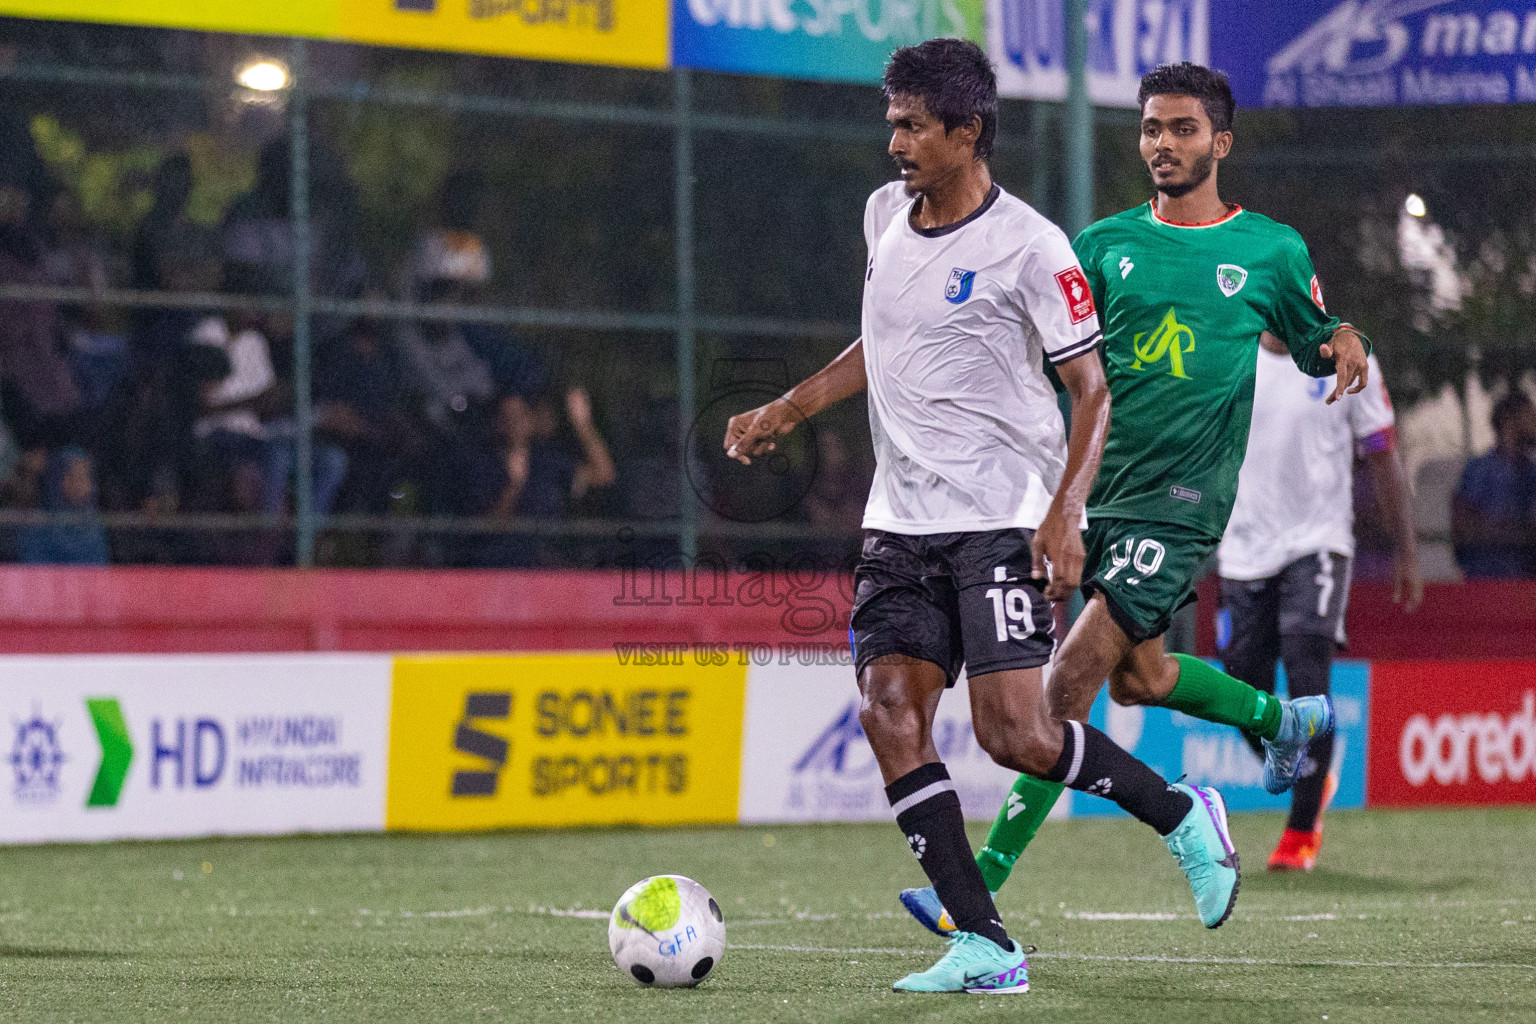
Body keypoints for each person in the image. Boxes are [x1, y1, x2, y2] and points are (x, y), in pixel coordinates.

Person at [725, 41, 1239, 995]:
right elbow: (883, 340)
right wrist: (789, 408)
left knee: (1016, 736)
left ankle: (1178, 813)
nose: (897, 143)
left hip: (998, 523)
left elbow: (1092, 391)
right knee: (889, 711)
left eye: (915, 125)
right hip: (897, 526)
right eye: (892, 122)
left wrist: (1064, 514)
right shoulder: (883, 216)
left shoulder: (1035, 248)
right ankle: (988, 944)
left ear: (968, 132)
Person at [898, 62, 1370, 939]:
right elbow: (1057, 360)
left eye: (1183, 129)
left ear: (1220, 143)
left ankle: (983, 888)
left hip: (1181, 501)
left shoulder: (1269, 249)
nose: (1163, 143)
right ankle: (1279, 719)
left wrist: (1345, 339)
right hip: (1095, 498)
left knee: (1064, 687)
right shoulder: (1103, 244)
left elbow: (1312, 337)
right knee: (1140, 677)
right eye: (1152, 128)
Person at [1219, 333, 1420, 872]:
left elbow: (1381, 451)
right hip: (1243, 547)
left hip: (1318, 543)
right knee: (1240, 681)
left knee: (1308, 674)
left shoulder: (1350, 357)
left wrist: (1406, 550)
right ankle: (1304, 766)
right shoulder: (1230, 350)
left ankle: (1301, 830)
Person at [1452, 392, 1536, 578]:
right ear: (1510, 421)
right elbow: (1463, 527)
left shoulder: (1531, 473)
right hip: (1485, 582)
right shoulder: (1479, 470)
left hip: (1526, 585)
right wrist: (1514, 534)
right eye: (1530, 416)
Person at [17, 446, 109, 565]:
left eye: (86, 477)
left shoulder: (93, 528)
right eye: (76, 477)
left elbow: (99, 572)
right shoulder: (39, 527)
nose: (86, 486)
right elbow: (33, 573)